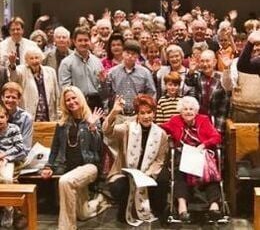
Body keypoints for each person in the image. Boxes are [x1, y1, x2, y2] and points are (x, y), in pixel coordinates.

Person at [41, 86, 108, 230]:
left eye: (73, 98)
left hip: (89, 167)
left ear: (80, 98)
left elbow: (99, 150)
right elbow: (55, 148)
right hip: (69, 168)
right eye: (68, 100)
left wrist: (93, 127)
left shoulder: (92, 119)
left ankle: (67, 227)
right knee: (83, 214)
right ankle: (100, 201)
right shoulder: (62, 123)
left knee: (65, 181)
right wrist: (48, 166)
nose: (71, 102)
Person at [103, 94, 169, 226]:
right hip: (127, 173)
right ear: (137, 114)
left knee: (163, 178)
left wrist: (147, 174)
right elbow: (107, 131)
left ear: (154, 113)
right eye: (142, 113)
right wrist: (114, 112)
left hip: (148, 173)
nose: (146, 116)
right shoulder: (128, 127)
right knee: (118, 187)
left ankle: (157, 209)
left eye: (149, 112)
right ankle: (126, 208)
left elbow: (160, 160)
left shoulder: (161, 133)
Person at [161, 96, 222, 222]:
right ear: (180, 111)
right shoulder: (175, 120)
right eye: (185, 109)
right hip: (183, 155)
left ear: (196, 111)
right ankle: (182, 208)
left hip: (201, 153)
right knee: (179, 172)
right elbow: (161, 127)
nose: (188, 112)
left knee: (211, 175)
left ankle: (214, 206)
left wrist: (203, 145)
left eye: (191, 109)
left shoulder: (204, 120)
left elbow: (216, 137)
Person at [106, 39, 156, 119]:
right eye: (127, 53)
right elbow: (107, 94)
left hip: (137, 115)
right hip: (118, 115)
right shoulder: (112, 72)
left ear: (138, 56)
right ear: (122, 53)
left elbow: (151, 93)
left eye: (133, 54)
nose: (130, 56)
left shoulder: (145, 73)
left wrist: (146, 110)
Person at [59, 26, 106, 111]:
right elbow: (65, 88)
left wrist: (103, 82)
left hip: (96, 103)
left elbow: (102, 88)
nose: (83, 43)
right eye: (80, 40)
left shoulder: (97, 61)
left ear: (90, 41)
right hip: (76, 104)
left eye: (86, 40)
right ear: (74, 41)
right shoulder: (66, 63)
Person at [8, 46, 60, 121]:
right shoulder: (22, 70)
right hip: (29, 116)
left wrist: (58, 114)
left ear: (41, 58)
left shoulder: (50, 71)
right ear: (26, 61)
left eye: (37, 58)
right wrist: (12, 64)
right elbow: (14, 77)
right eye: (31, 58)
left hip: (49, 115)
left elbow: (56, 94)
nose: (34, 61)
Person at [185, 49, 230, 133]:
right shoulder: (198, 75)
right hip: (199, 120)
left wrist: (218, 131)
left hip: (215, 121)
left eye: (207, 61)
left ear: (214, 62)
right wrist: (191, 71)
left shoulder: (222, 77)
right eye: (202, 61)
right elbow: (189, 82)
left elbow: (224, 106)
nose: (205, 64)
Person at [222, 30, 260, 122]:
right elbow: (228, 87)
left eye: (258, 46)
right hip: (241, 111)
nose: (256, 49)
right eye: (254, 45)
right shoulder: (238, 62)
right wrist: (226, 69)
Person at [0, 104, 26, 228]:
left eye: (1, 117)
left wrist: (5, 155)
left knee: (7, 180)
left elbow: (20, 147)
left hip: (10, 159)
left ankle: (9, 210)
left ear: (7, 117)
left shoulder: (13, 129)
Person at [1, 82, 33, 153]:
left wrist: (6, 157)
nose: (10, 100)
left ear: (19, 99)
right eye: (7, 97)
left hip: (17, 157)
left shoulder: (26, 118)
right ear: (2, 98)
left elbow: (25, 148)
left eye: (14, 97)